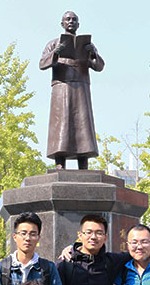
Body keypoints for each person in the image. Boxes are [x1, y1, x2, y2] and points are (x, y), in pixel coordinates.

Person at [40, 11, 104, 170]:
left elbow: (99, 66)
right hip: (62, 88)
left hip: (81, 88)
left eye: (74, 20)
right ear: (62, 23)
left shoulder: (87, 45)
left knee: (83, 124)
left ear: (78, 24)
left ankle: (83, 163)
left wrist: (93, 53)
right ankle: (60, 163)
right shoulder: (53, 44)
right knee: (61, 124)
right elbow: (42, 64)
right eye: (67, 19)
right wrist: (57, 52)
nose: (71, 22)